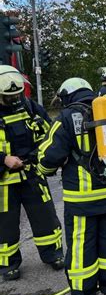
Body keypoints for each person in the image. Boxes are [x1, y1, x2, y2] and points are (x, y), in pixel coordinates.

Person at [37, 78, 106, 295]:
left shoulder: (66, 118)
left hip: (81, 200)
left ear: (67, 96)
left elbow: (48, 157)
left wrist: (43, 168)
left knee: (82, 245)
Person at [0, 65, 64, 281]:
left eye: (17, 94)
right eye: (9, 96)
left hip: (31, 172)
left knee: (45, 216)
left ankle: (53, 254)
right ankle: (8, 263)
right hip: (4, 180)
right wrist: (4, 160)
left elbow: (50, 133)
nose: (15, 98)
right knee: (5, 223)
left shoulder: (30, 107)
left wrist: (39, 154)